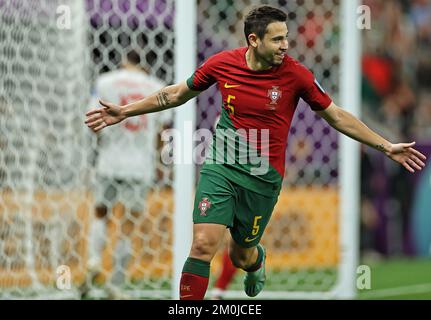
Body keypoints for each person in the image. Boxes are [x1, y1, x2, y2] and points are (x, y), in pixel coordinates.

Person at [85, 6, 427, 300]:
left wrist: (385, 145)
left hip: (263, 180)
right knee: (203, 245)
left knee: (242, 254)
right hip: (220, 167)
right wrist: (124, 112)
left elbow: (335, 115)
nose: (285, 45)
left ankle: (255, 261)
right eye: (277, 39)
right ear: (254, 41)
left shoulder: (296, 75)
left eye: (286, 37)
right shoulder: (222, 64)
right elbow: (174, 95)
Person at [83, 50, 170, 299]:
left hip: (109, 160)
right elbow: (160, 132)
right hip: (139, 165)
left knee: (101, 213)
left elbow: (94, 123)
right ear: (146, 65)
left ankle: (93, 260)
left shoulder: (106, 82)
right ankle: (116, 286)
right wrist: (159, 162)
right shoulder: (156, 86)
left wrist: (104, 143)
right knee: (128, 227)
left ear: (124, 61)